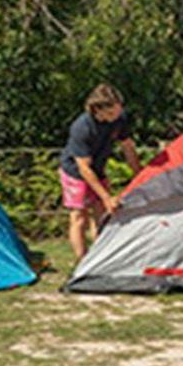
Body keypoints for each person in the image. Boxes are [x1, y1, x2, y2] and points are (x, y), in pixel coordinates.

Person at [60, 84, 139, 261]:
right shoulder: (82, 128)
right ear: (97, 109)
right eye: (111, 113)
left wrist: (139, 175)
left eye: (118, 111)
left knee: (102, 215)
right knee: (79, 217)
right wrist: (106, 196)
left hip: (98, 168)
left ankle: (99, 258)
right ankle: (82, 261)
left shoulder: (119, 119)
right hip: (75, 172)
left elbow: (128, 148)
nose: (116, 116)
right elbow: (84, 168)